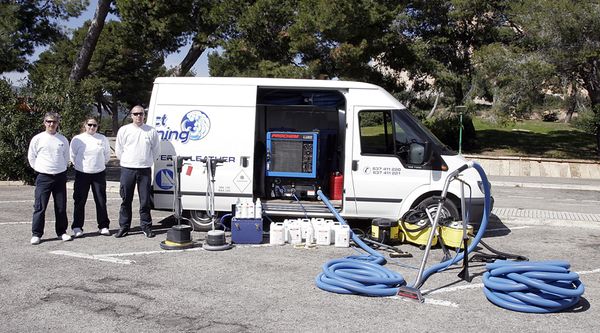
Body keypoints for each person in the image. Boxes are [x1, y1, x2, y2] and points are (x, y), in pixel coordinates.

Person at [114, 105, 160, 238]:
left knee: (145, 200)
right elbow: (119, 149)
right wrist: (128, 161)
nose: (138, 116)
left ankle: (146, 226)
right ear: (131, 115)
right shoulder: (124, 130)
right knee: (126, 199)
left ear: (144, 115)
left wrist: (147, 161)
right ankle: (124, 226)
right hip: (128, 169)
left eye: (141, 113)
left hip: (144, 170)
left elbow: (156, 150)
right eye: (135, 114)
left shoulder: (151, 131)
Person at [27, 112, 72, 245]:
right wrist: (40, 169)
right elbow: (32, 156)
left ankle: (62, 232)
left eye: (54, 122)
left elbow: (66, 157)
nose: (51, 124)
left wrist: (60, 169)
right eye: (48, 121)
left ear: (58, 123)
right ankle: (36, 234)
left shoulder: (63, 139)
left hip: (59, 177)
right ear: (44, 122)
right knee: (40, 206)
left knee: (61, 206)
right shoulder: (37, 139)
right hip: (43, 177)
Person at [70, 117, 112, 237]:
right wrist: (80, 166)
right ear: (85, 125)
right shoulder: (77, 139)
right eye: (89, 125)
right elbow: (72, 156)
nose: (92, 127)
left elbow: (107, 155)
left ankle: (103, 226)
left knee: (101, 201)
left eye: (94, 125)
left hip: (98, 174)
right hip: (82, 174)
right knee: (79, 201)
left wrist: (99, 165)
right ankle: (77, 227)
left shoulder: (102, 138)